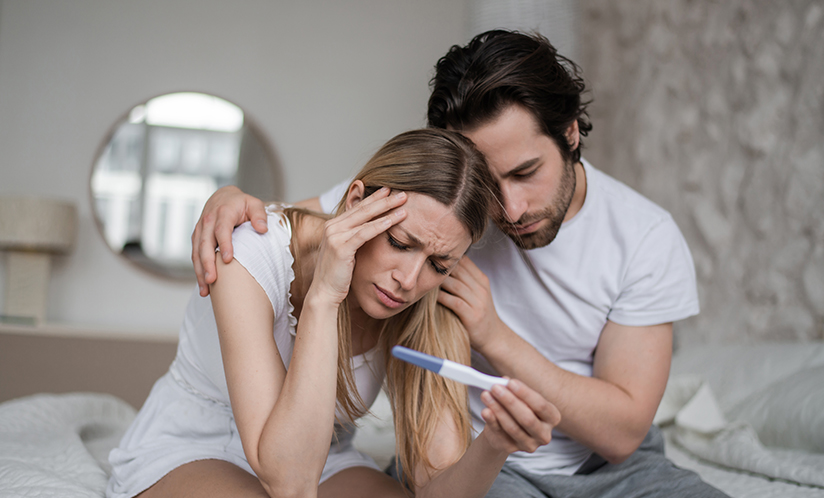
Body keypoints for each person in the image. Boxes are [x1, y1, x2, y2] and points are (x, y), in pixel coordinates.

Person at [192, 31, 729, 497]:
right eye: (487, 184)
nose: (509, 210)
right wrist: (233, 198)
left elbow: (621, 432)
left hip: (609, 468)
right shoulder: (439, 213)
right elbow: (312, 221)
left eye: (525, 172)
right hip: (478, 460)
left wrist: (493, 336)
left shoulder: (645, 238)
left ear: (569, 133)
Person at [106, 128, 562, 498]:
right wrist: (325, 295)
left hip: (319, 457)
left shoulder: (430, 303)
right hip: (195, 446)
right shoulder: (250, 254)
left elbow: (435, 488)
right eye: (400, 244)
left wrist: (495, 445)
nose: (409, 279)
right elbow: (288, 483)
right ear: (355, 202)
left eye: (439, 264)